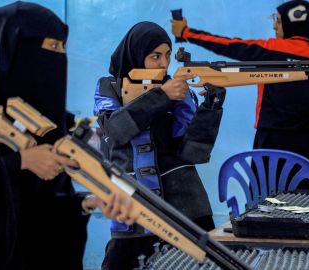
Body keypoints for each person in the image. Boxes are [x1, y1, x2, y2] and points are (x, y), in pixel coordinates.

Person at [0, 2, 135, 270]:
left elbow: (47, 203)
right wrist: (20, 161)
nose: (59, 57)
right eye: (51, 47)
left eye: (62, 48)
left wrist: (89, 202)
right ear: (11, 47)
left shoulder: (41, 113)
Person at [171, 0, 309, 176]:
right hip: (308, 140)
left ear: (294, 22)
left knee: (263, 200)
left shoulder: (272, 48)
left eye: (278, 21)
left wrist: (186, 33)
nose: (274, 26)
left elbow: (228, 45)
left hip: (271, 139)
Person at [94, 21, 226, 270]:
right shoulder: (110, 87)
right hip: (131, 208)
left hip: (184, 207)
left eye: (166, 55)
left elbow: (192, 152)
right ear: (135, 54)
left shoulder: (179, 90)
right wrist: (162, 96)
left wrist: (212, 105)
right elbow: (116, 131)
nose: (163, 63)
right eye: (155, 56)